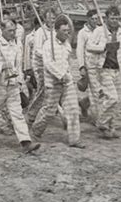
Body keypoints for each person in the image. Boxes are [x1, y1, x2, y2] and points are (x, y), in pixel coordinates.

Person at [0, 20, 40, 154]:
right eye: (10, 31)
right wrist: (0, 67)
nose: (13, 33)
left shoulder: (16, 46)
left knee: (18, 114)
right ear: (2, 30)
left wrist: (19, 81)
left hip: (12, 86)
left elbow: (18, 67)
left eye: (14, 30)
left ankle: (26, 142)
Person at [31, 17, 86, 148]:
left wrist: (69, 75)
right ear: (56, 31)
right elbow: (48, 63)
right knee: (49, 111)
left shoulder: (67, 44)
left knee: (73, 109)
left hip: (67, 82)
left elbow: (68, 61)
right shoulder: (48, 44)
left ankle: (74, 139)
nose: (67, 33)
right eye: (64, 31)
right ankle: (35, 132)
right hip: (53, 82)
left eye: (68, 30)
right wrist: (60, 75)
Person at [86, 6, 121, 139]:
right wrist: (103, 48)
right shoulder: (98, 31)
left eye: (116, 18)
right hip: (103, 69)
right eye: (112, 18)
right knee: (113, 98)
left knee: (113, 101)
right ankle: (101, 122)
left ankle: (110, 128)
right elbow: (89, 46)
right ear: (106, 18)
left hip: (116, 69)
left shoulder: (120, 31)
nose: (114, 21)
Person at [27, 8, 56, 123]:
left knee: (56, 88)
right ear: (44, 19)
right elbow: (38, 50)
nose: (52, 20)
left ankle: (52, 110)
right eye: (49, 18)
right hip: (40, 65)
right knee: (42, 89)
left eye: (54, 18)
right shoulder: (40, 32)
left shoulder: (55, 31)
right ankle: (32, 114)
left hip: (53, 64)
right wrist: (49, 53)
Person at [76, 9, 99, 121]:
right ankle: (95, 118)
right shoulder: (83, 33)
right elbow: (79, 50)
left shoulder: (99, 30)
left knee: (101, 90)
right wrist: (81, 66)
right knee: (96, 92)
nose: (95, 21)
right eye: (92, 19)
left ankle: (84, 103)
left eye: (96, 18)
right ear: (88, 19)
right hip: (89, 65)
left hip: (100, 65)